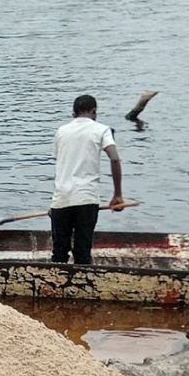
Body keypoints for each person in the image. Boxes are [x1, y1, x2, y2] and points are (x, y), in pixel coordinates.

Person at [50, 94, 125, 265]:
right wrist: (118, 195)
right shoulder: (101, 129)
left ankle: (56, 285)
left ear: (73, 113)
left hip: (61, 199)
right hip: (86, 198)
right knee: (82, 252)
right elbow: (114, 158)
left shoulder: (61, 131)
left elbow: (61, 166)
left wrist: (54, 206)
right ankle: (83, 286)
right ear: (94, 111)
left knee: (59, 253)